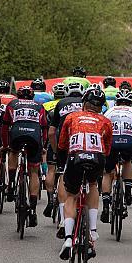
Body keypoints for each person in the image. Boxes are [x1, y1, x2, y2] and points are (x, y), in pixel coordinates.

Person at [57, 87, 113, 260]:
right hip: (96, 158)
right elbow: (108, 148)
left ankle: (67, 239)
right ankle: (93, 230)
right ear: (101, 107)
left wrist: (61, 162)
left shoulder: (71, 117)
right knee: (93, 184)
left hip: (75, 157)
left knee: (72, 196)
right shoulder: (105, 121)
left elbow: (62, 145)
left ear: (84, 103)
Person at [1, 86, 48, 228]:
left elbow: (4, 126)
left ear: (18, 95)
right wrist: (44, 146)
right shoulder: (39, 106)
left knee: (13, 152)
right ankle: (33, 208)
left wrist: (5, 145)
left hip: (16, 135)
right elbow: (45, 127)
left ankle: (12, 185)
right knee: (34, 172)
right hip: (34, 138)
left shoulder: (12, 104)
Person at [46, 82, 85, 236]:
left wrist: (56, 152)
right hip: (84, 142)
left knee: (63, 174)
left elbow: (51, 132)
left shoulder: (61, 103)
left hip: (64, 142)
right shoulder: (86, 104)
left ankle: (63, 216)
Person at [101, 89, 132, 222]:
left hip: (112, 141)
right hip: (128, 141)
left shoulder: (109, 111)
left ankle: (105, 205)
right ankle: (128, 191)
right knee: (127, 161)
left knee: (107, 172)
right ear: (130, 102)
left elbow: (103, 129)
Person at [43, 83, 66, 212]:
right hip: (67, 138)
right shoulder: (70, 106)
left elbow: (45, 126)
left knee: (51, 169)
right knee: (64, 171)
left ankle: (50, 199)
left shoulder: (48, 106)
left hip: (52, 136)